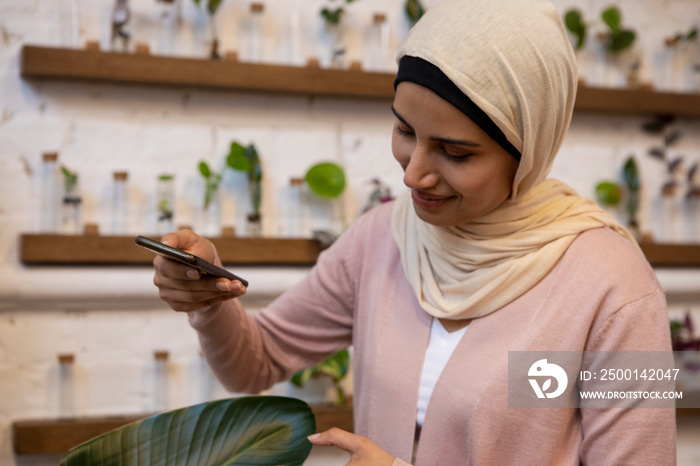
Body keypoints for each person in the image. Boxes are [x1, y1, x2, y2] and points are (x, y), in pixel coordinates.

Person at [152, 0, 676, 464]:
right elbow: (257, 362)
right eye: (405, 131)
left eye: (455, 151)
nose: (412, 174)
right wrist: (208, 298)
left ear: (528, 150)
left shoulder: (617, 290)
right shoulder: (383, 237)